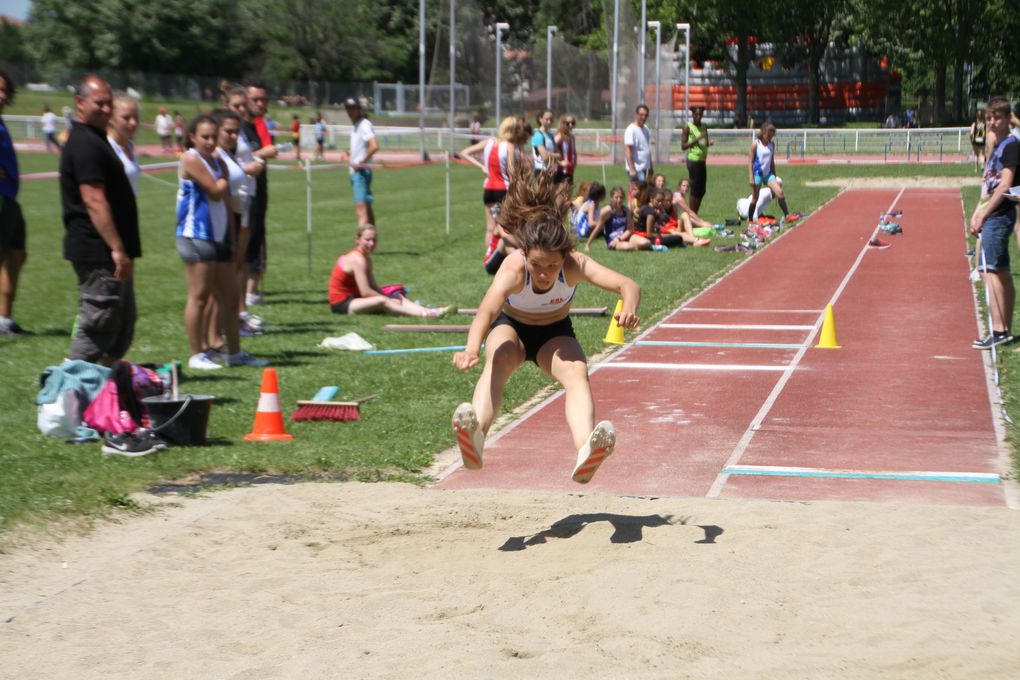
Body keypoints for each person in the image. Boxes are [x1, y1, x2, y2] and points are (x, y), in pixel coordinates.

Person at [450, 164, 641, 484]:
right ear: (525, 254)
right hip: (511, 326)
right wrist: (472, 348)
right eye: (536, 264)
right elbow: (486, 311)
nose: (542, 273)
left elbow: (628, 285)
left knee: (577, 372)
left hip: (554, 333)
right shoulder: (513, 268)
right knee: (498, 361)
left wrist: (630, 309)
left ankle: (586, 451)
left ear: (564, 256)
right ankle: (475, 437)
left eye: (551, 266)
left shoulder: (575, 264)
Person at [60, 75, 140, 364]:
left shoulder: (97, 139)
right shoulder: (84, 143)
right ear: (79, 103)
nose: (106, 109)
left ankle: (101, 396)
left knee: (121, 327)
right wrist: (117, 248)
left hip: (112, 250)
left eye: (109, 103)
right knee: (99, 325)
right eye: (99, 103)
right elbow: (93, 200)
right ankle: (67, 399)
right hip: (98, 250)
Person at [176, 114, 266, 370]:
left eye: (213, 137)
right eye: (205, 136)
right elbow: (216, 192)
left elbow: (226, 201)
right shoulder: (190, 158)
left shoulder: (217, 162)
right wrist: (227, 175)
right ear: (192, 136)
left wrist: (232, 237)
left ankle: (234, 353)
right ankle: (198, 353)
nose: (210, 141)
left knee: (229, 295)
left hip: (218, 236)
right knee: (200, 296)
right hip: (195, 234)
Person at [970, 97, 1020, 350]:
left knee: (989, 270)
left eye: (997, 117)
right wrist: (978, 210)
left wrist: (985, 213)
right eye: (989, 117)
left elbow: (1005, 184)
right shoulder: (998, 145)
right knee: (999, 270)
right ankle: (1004, 329)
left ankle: (1000, 329)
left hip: (999, 214)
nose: (992, 122)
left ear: (1007, 118)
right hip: (992, 211)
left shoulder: (1011, 146)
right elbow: (989, 182)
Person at [329, 224, 454, 317]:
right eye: (367, 240)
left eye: (374, 240)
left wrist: (392, 298)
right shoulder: (358, 260)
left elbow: (374, 287)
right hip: (342, 304)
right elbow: (366, 292)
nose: (371, 244)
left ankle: (429, 310)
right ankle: (424, 314)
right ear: (358, 239)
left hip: (354, 298)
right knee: (382, 301)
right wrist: (388, 299)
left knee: (396, 297)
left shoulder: (366, 259)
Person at [224, 86, 267, 336]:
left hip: (247, 196)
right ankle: (236, 316)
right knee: (236, 262)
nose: (241, 109)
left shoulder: (242, 131)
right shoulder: (227, 133)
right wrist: (250, 167)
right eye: (236, 105)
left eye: (243, 105)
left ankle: (240, 314)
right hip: (236, 199)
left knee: (241, 261)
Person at [460, 116, 529, 274]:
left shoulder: (489, 142)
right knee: (506, 227)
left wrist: (482, 167)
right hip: (502, 191)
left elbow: (464, 153)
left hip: (488, 190)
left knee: (490, 228)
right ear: (512, 130)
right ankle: (511, 259)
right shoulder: (510, 146)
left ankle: (489, 257)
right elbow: (512, 174)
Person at [244, 81, 277, 306]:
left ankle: (250, 291)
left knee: (257, 236)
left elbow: (270, 150)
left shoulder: (259, 124)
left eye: (263, 99)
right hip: (244, 194)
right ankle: (248, 292)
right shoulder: (240, 127)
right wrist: (260, 154)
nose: (260, 103)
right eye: (255, 99)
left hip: (258, 191)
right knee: (248, 238)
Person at [0, 71, 29, 336]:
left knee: (17, 254)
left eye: (4, 89)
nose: (1, 94)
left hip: (10, 198)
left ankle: (5, 320)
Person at [748, 122, 799, 227]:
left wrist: (774, 175)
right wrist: (751, 177)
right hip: (757, 174)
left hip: (768, 174)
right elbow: (750, 161)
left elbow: (771, 161)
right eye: (768, 135)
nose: (770, 137)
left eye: (772, 135)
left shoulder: (772, 144)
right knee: (755, 199)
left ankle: (787, 216)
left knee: (779, 192)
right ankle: (750, 221)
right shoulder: (755, 144)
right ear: (763, 133)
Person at [343, 97, 378, 227]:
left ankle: (361, 246)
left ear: (359, 109)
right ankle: (372, 241)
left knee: (361, 210)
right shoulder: (356, 125)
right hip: (357, 172)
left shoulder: (364, 124)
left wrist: (360, 162)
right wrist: (350, 155)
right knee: (367, 209)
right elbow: (361, 148)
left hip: (361, 173)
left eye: (352, 108)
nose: (349, 111)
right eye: (347, 108)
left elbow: (374, 146)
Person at [585, 186, 647, 252]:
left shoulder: (626, 210)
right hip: (613, 241)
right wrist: (588, 244)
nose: (619, 200)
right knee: (628, 247)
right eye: (616, 197)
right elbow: (598, 228)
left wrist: (619, 239)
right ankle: (634, 246)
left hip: (624, 238)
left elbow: (629, 230)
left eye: (621, 197)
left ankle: (637, 246)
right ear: (612, 198)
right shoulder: (607, 211)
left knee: (645, 243)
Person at [681, 106, 713, 214]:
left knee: (702, 190)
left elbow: (704, 143)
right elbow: (683, 146)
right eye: (696, 114)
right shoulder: (688, 127)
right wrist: (696, 139)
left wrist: (708, 143)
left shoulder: (704, 126)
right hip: (693, 161)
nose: (698, 116)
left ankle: (694, 214)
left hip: (702, 160)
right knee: (694, 190)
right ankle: (692, 215)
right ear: (693, 115)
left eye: (700, 114)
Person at [107, 94, 140, 194]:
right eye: (126, 118)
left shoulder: (129, 146)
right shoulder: (107, 147)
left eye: (136, 117)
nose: (133, 122)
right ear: (111, 119)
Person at [624, 104, 652, 183]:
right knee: (638, 193)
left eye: (646, 115)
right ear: (636, 114)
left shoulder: (645, 129)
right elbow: (628, 150)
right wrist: (632, 169)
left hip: (645, 168)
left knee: (644, 192)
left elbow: (647, 149)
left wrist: (650, 166)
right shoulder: (631, 130)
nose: (643, 117)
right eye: (641, 115)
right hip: (636, 169)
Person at [531, 109, 559, 175]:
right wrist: (552, 155)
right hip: (542, 171)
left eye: (551, 119)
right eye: (547, 119)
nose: (549, 122)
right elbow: (545, 157)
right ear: (540, 119)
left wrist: (548, 154)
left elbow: (559, 155)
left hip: (551, 170)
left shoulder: (550, 135)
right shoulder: (538, 135)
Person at [553, 113, 577, 184]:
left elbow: (574, 153)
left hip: (570, 171)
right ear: (563, 124)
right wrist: (559, 163)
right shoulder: (560, 136)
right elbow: (550, 150)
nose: (571, 125)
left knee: (568, 194)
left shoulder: (572, 137)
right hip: (560, 172)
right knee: (561, 194)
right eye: (568, 123)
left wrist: (574, 163)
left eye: (573, 123)